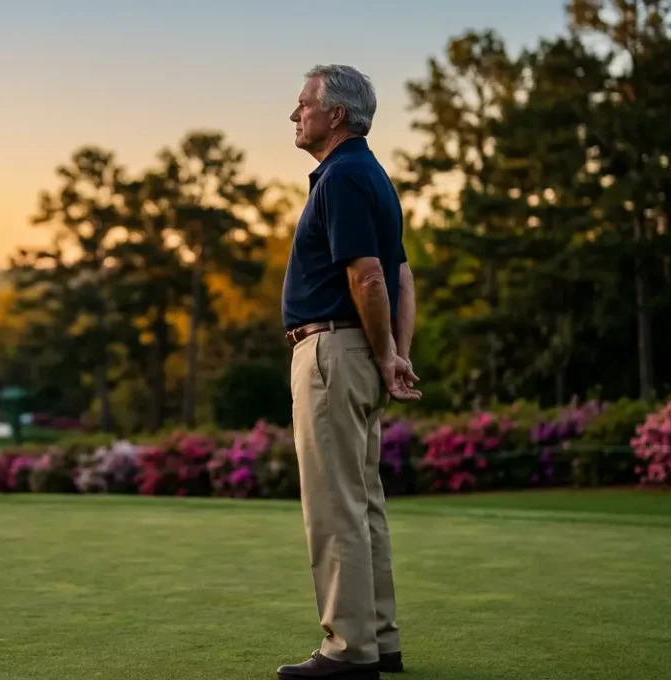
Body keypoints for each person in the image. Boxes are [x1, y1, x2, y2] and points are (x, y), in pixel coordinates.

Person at [276, 64, 421, 680]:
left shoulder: (340, 176)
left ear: (336, 114)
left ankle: (348, 650)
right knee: (364, 504)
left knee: (336, 507)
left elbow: (368, 276)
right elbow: (402, 275)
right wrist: (395, 353)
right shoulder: (375, 177)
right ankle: (379, 640)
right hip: (361, 353)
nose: (295, 113)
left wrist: (386, 351)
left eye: (304, 103)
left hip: (334, 353)